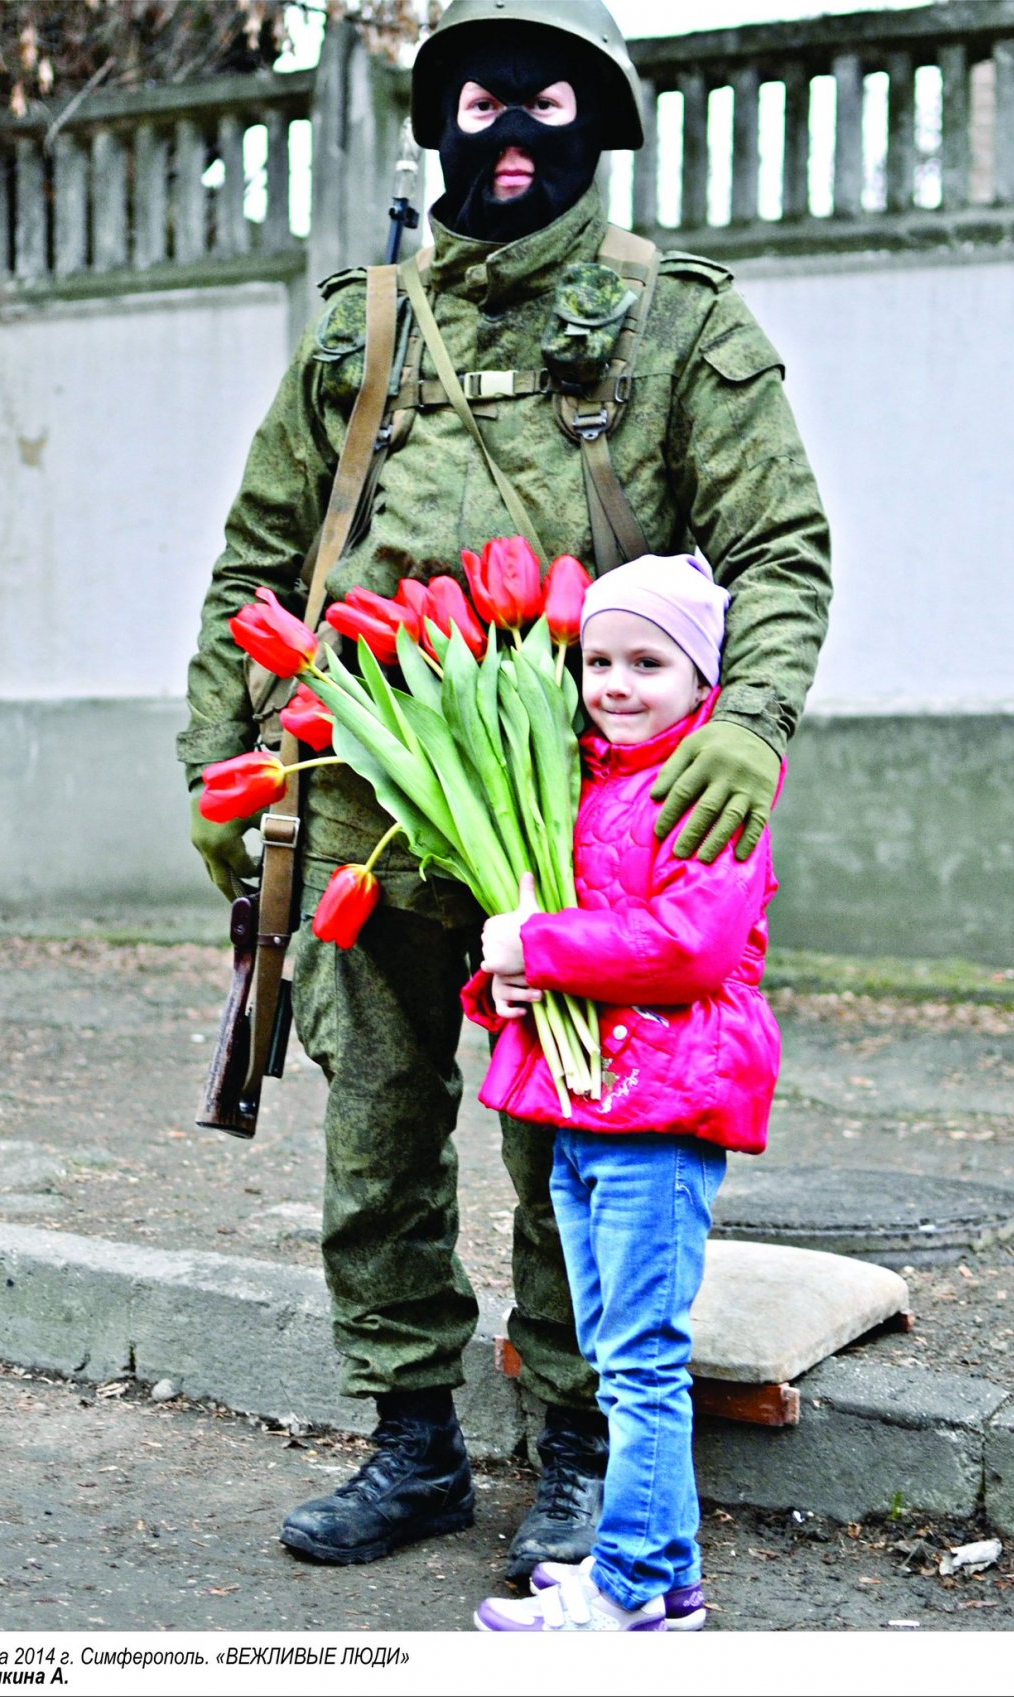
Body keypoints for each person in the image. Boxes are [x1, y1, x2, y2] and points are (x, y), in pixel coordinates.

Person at [178, 0, 830, 1576]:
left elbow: (779, 548)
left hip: (574, 821)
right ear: (440, 121)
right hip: (355, 804)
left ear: (601, 120)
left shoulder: (676, 327)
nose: (514, 129)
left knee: (575, 1141)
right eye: (481, 99)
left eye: (550, 98)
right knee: (378, 1136)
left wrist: (748, 724)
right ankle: (407, 1441)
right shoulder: (361, 329)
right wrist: (219, 772)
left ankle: (577, 1443)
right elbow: (255, 564)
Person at [468, 553, 780, 1631]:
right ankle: (668, 1570)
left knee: (643, 1358)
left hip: (661, 1106)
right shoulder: (584, 779)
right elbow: (557, 942)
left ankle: (636, 1589)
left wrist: (541, 944)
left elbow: (689, 947)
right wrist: (506, 972)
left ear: (704, 678)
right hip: (583, 1107)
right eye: (598, 656)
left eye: (649, 660)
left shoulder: (710, 789)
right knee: (609, 1347)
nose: (616, 679)